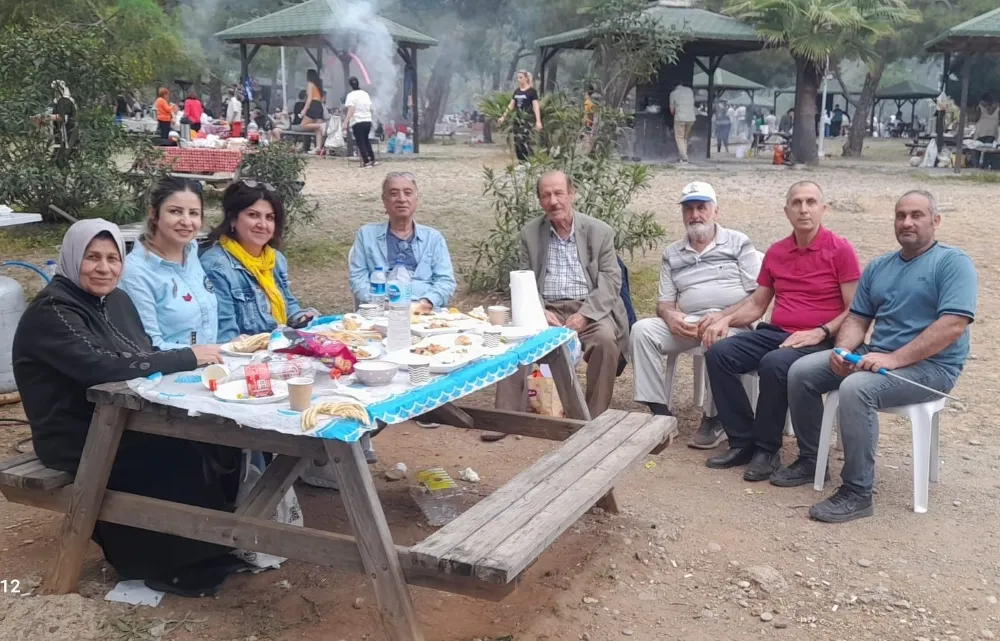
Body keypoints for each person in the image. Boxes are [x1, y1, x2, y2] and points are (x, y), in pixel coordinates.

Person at [11, 220, 247, 597]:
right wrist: (188, 356)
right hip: (72, 433)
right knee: (169, 451)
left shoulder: (115, 300)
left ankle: (208, 546)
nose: (104, 268)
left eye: (112, 258)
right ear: (73, 259)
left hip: (117, 417)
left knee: (212, 439)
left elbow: (138, 353)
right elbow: (103, 367)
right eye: (92, 257)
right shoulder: (53, 313)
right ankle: (160, 563)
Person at [781, 191, 977, 523]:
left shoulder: (953, 262)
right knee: (801, 371)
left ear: (936, 220)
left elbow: (953, 325)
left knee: (857, 388)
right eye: (901, 215)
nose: (907, 222)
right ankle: (810, 460)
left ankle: (857, 492)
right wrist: (842, 351)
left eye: (917, 215)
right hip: (876, 357)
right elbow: (857, 318)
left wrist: (893, 359)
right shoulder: (880, 266)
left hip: (932, 368)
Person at [699, 181, 861, 480]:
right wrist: (724, 319)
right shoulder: (777, 252)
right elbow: (758, 304)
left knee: (774, 363)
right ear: (786, 211)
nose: (803, 209)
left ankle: (767, 449)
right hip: (779, 332)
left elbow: (856, 309)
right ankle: (743, 440)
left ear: (823, 209)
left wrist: (821, 331)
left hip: (822, 340)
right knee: (720, 352)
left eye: (811, 202)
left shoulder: (840, 250)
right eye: (797, 203)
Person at [631, 182, 761, 449]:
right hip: (689, 323)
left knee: (718, 342)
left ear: (716, 211)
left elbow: (758, 296)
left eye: (702, 208)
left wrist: (722, 317)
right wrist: (670, 317)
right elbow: (664, 303)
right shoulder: (672, 253)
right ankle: (659, 413)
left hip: (733, 323)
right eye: (689, 209)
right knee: (642, 330)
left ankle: (715, 418)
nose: (695, 215)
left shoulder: (738, 242)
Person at [494, 171, 628, 423]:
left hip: (590, 308)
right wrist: (537, 310)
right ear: (540, 201)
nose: (553, 201)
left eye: (558, 193)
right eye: (546, 195)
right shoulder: (530, 234)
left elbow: (611, 281)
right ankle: (505, 418)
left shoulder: (600, 232)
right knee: (515, 342)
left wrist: (586, 315)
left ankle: (592, 419)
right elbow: (524, 280)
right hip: (546, 308)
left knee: (606, 342)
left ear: (572, 194)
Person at [201, 181, 317, 343]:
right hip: (244, 357)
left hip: (278, 348)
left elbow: (288, 303)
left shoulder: (274, 258)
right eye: (253, 215)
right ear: (233, 219)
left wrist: (302, 318)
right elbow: (226, 335)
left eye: (269, 217)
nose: (262, 225)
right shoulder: (216, 265)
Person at [120, 177, 219, 351]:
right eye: (175, 211)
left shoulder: (192, 251)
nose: (186, 221)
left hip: (209, 369)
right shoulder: (136, 271)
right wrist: (204, 354)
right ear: (154, 214)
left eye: (194, 213)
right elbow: (149, 345)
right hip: (167, 375)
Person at [349, 172, 456, 311]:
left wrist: (425, 303)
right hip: (380, 311)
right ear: (384, 200)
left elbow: (445, 281)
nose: (401, 199)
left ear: (416, 199)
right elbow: (358, 280)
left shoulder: (433, 238)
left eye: (408, 193)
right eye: (394, 194)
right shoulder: (366, 234)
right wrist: (383, 304)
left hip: (426, 312)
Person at [498, 70, 542, 163]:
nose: (519, 79)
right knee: (517, 142)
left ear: (526, 78)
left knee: (525, 141)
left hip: (527, 120)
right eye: (517, 78)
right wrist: (503, 116)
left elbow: (535, 106)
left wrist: (538, 121)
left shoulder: (532, 92)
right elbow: (511, 105)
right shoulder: (517, 91)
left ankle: (528, 162)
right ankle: (521, 162)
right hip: (517, 120)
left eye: (521, 77)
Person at [344, 76, 377, 168]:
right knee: (366, 140)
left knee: (360, 141)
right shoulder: (365, 94)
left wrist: (345, 121)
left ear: (350, 85)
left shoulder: (350, 95)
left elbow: (351, 109)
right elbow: (370, 108)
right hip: (367, 120)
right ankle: (372, 159)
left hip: (357, 120)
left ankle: (366, 161)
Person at [300, 69, 326, 152]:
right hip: (319, 105)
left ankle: (320, 126)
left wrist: (304, 110)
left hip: (313, 105)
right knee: (317, 130)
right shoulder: (318, 86)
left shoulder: (310, 84)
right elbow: (322, 99)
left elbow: (309, 98)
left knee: (303, 125)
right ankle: (318, 147)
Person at [50, 80, 78, 157]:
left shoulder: (64, 102)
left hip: (65, 139)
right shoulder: (66, 101)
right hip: (66, 139)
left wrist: (45, 118)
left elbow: (63, 118)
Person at [669, 83, 696, 163]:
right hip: (691, 118)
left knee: (679, 137)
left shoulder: (673, 93)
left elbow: (671, 110)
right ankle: (682, 156)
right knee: (684, 137)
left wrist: (674, 112)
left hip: (680, 118)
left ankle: (684, 157)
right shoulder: (689, 90)